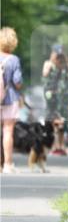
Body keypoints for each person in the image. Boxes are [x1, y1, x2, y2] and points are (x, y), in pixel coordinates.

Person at [42, 44, 68, 155]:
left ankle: (61, 146)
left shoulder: (65, 67)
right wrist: (53, 61)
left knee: (63, 124)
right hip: (52, 98)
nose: (59, 58)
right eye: (58, 55)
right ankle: (53, 146)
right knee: (53, 123)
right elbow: (45, 73)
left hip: (63, 99)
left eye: (60, 55)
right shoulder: (48, 64)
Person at [0, 27, 24, 173]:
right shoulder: (14, 60)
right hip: (10, 98)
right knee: (8, 131)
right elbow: (17, 82)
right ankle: (8, 164)